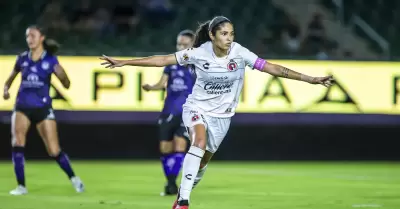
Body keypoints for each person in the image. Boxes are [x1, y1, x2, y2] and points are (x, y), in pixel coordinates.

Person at [100, 16, 333, 209]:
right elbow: (162, 59)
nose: (229, 39)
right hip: (196, 108)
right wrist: (124, 62)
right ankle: (183, 201)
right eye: (224, 34)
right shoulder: (198, 53)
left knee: (202, 163)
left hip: (222, 116)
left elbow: (271, 67)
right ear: (212, 35)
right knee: (198, 142)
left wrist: (309, 79)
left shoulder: (239, 53)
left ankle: (181, 193)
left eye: (232, 34)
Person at [2, 25, 85, 195]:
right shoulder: (22, 59)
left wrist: (63, 77)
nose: (29, 39)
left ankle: (74, 179)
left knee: (54, 150)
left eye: (33, 35)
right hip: (22, 106)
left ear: (41, 38)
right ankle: (21, 186)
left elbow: (66, 83)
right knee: (17, 143)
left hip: (43, 108)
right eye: (27, 36)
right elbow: (9, 80)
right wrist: (5, 90)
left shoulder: (50, 60)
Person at [141, 30, 195, 196]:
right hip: (168, 111)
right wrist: (151, 87)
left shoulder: (198, 64)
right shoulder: (171, 64)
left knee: (180, 146)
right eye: (179, 44)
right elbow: (162, 84)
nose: (181, 47)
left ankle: (171, 184)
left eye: (185, 44)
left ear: (193, 45)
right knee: (165, 148)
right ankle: (170, 182)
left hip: (187, 113)